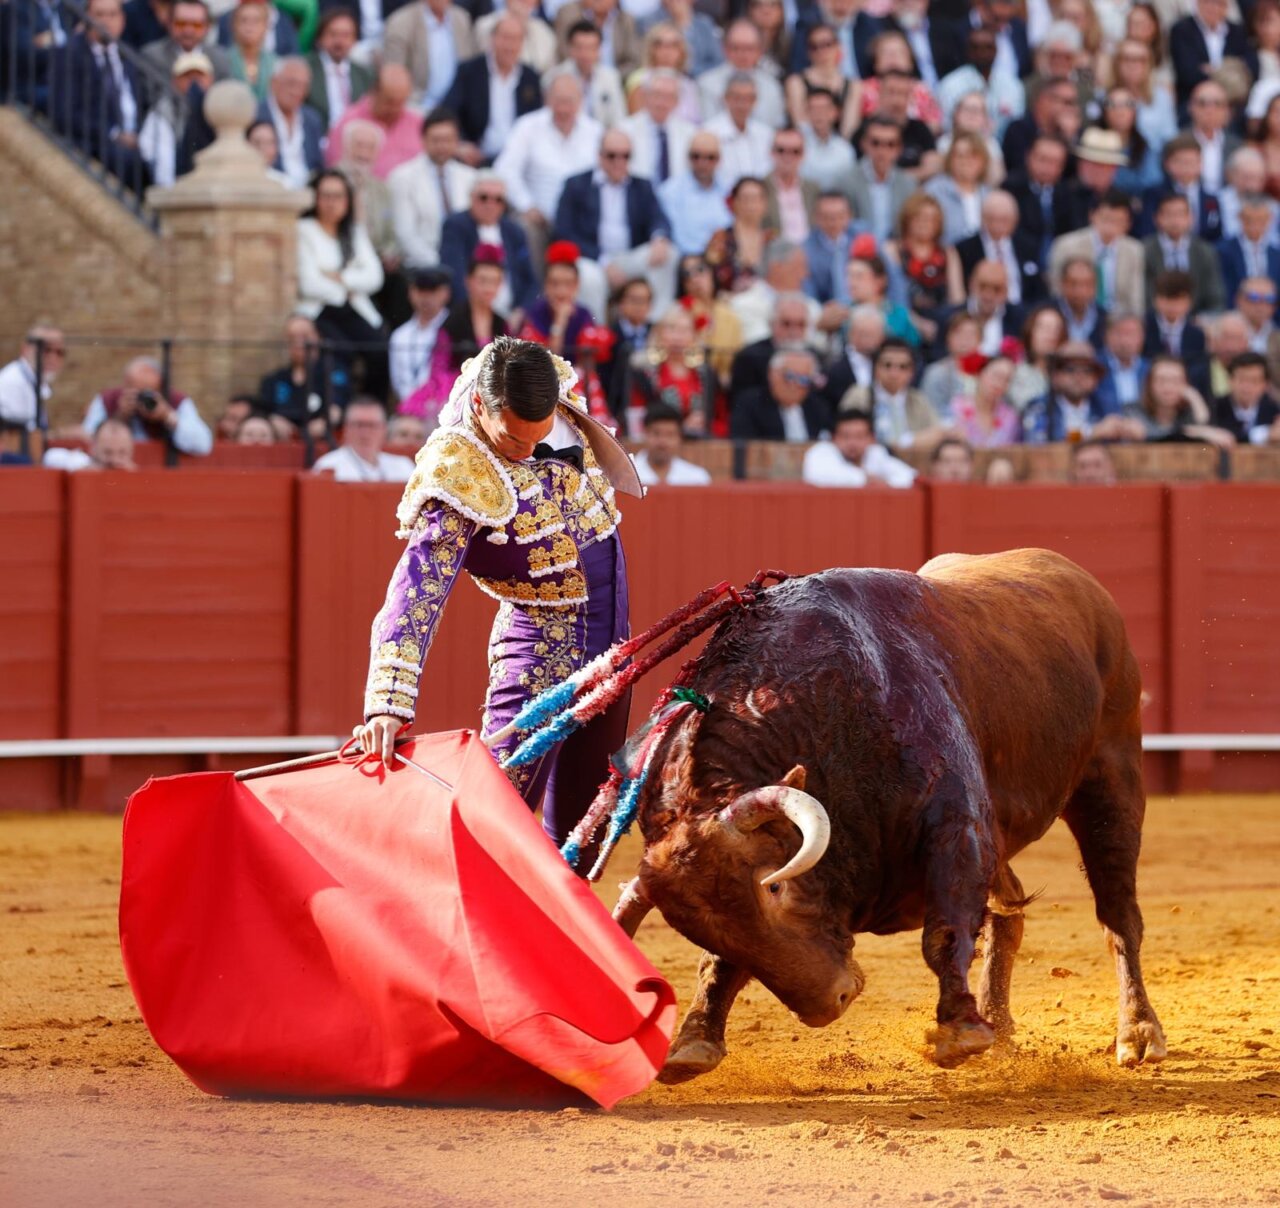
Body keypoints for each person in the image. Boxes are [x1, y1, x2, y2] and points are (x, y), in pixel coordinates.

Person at [355, 337, 637, 855]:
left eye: (540, 433)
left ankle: (554, 933)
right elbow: (415, 592)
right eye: (512, 440)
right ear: (481, 408)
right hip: (539, 648)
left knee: (586, 820)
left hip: (612, 639)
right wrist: (386, 702)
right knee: (493, 812)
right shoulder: (458, 473)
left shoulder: (539, 380)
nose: (527, 450)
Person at [553, 128, 676, 319]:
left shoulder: (642, 186)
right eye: (612, 155)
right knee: (590, 278)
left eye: (625, 156)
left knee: (666, 255)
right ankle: (596, 338)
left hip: (629, 258)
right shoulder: (576, 185)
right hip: (594, 259)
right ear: (600, 156)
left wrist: (659, 238)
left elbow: (659, 219)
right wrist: (603, 260)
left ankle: (656, 327)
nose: (619, 162)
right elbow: (564, 232)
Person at [494, 74, 604, 273]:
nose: (563, 108)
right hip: (540, 219)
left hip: (581, 222)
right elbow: (504, 170)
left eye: (569, 101)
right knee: (524, 228)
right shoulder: (527, 126)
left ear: (580, 101)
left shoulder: (595, 131)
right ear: (546, 99)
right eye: (558, 101)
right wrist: (527, 205)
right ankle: (535, 293)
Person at [297, 168, 388, 401]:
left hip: (354, 308)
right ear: (315, 198)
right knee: (339, 353)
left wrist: (340, 277)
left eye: (338, 196)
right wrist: (346, 287)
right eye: (325, 196)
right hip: (320, 310)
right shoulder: (304, 231)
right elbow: (308, 283)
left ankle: (371, 407)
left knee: (379, 349)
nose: (331, 203)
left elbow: (375, 277)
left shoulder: (355, 233)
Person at [445, 14, 545, 166]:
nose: (510, 46)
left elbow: (537, 120)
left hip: (517, 160)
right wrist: (461, 144)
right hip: (476, 158)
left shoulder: (530, 78)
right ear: (492, 39)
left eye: (516, 39)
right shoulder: (469, 71)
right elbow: (449, 111)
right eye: (505, 37)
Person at [388, 109, 477, 272]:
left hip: (466, 265)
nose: (442, 146)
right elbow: (405, 233)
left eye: (448, 140)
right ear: (423, 140)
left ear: (457, 141)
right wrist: (442, 264)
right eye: (436, 140)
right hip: (422, 266)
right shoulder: (403, 177)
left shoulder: (470, 177)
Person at [835, 337, 948, 453]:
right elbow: (845, 434)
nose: (894, 373)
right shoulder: (859, 396)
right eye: (887, 365)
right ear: (875, 368)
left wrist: (907, 442)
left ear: (911, 373)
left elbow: (937, 432)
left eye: (902, 367)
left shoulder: (917, 400)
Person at [83, 356, 214, 455]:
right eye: (134, 391)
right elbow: (87, 438)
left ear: (160, 389)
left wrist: (167, 415)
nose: (141, 399)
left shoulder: (176, 401)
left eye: (147, 393)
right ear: (125, 384)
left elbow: (203, 445)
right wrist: (119, 417)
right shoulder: (109, 399)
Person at [1049, 189, 1146, 318]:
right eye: (1106, 219)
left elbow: (1136, 298)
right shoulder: (1066, 246)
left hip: (1118, 319)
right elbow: (1057, 291)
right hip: (1076, 315)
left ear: (1128, 224)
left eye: (1118, 221)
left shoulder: (1134, 250)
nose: (1110, 226)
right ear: (1092, 215)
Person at [882, 193, 963, 346]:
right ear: (907, 219)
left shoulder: (948, 252)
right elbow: (893, 297)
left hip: (941, 318)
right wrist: (917, 323)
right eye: (920, 218)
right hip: (906, 318)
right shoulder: (893, 250)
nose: (925, 224)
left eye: (932, 219)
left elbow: (957, 297)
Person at [627, 304, 716, 437]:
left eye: (684, 330)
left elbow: (719, 416)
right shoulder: (645, 372)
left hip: (700, 445)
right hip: (657, 443)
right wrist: (680, 429)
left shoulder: (705, 373)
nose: (677, 337)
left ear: (693, 336)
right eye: (671, 329)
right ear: (659, 334)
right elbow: (637, 417)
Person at [1022, 340, 1135, 443]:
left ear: (1095, 380)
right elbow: (1038, 438)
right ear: (1055, 376)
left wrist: (1129, 430)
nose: (1079, 377)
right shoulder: (1039, 406)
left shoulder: (1105, 406)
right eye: (1070, 369)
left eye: (1087, 371)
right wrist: (1092, 432)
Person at [325, 64, 423, 182]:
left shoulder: (417, 123)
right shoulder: (349, 122)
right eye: (390, 102)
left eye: (401, 102)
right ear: (374, 92)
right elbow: (335, 169)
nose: (395, 109)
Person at [259, 313, 351, 437]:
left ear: (318, 337)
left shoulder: (334, 371)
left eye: (305, 336)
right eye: (292, 338)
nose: (298, 342)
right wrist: (273, 420)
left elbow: (337, 408)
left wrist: (324, 423)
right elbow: (263, 410)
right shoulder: (274, 380)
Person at [1121, 354, 1233, 446]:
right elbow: (1156, 437)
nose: (1168, 387)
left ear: (1186, 385)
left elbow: (1212, 431)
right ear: (1149, 384)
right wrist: (1193, 432)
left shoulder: (1189, 412)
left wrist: (1196, 399)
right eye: (1161, 380)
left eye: (1175, 381)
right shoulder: (1132, 411)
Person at [1144, 191, 1227, 316]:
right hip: (1155, 320)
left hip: (1196, 319)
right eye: (1169, 214)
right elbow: (1144, 297)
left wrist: (1205, 318)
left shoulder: (1205, 251)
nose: (1175, 220)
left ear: (1191, 218)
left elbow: (1215, 296)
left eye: (1180, 214)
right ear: (1157, 218)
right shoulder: (1144, 250)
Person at [381, 0, 474, 108]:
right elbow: (395, 74)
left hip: (457, 104)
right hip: (417, 103)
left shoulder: (461, 18)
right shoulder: (401, 22)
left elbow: (470, 66)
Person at [389, 268, 454, 422]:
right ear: (411, 292)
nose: (426, 297)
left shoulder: (454, 328)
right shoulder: (400, 335)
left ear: (446, 293)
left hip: (444, 413)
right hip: (407, 412)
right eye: (420, 290)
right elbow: (398, 382)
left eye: (432, 291)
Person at [518, 241, 597, 369]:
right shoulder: (534, 314)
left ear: (577, 285)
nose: (561, 292)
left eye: (568, 284)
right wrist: (559, 323)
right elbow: (544, 365)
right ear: (545, 285)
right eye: (554, 284)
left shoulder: (584, 315)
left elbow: (588, 367)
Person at [730, 346, 833, 441]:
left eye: (803, 379)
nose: (795, 385)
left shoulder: (817, 407)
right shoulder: (751, 404)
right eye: (790, 376)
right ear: (772, 374)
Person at [844, 116, 915, 245]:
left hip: (897, 253)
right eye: (876, 143)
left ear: (899, 149)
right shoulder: (846, 182)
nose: (882, 151)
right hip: (857, 252)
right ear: (864, 144)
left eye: (890, 144)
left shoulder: (908, 184)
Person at [801, 408, 917, 487]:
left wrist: (884, 483)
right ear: (834, 438)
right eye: (845, 436)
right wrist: (866, 479)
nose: (852, 443)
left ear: (872, 439)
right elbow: (817, 475)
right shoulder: (822, 451)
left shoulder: (875, 453)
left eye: (859, 436)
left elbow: (909, 476)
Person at [658, 132, 732, 256]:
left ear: (719, 159)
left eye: (710, 157)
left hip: (724, 260)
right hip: (688, 260)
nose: (703, 163)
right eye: (696, 156)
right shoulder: (670, 192)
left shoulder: (727, 189)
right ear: (688, 157)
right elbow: (675, 238)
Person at [785, 21, 860, 140]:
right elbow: (800, 123)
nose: (821, 51)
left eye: (827, 44)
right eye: (814, 46)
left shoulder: (853, 85)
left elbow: (849, 129)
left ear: (838, 46)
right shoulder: (796, 82)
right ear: (808, 52)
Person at [257, 57, 325, 188]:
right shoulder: (257, 115)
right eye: (291, 84)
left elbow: (317, 165)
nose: (297, 91)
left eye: (303, 86)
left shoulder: (312, 119)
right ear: (274, 83)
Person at [545, 19, 626, 128]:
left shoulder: (611, 78)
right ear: (570, 48)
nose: (585, 54)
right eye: (579, 47)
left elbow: (619, 119)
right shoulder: (554, 77)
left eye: (591, 48)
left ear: (599, 50)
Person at [618, 69, 695, 184]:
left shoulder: (690, 133)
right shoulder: (624, 130)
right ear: (645, 97)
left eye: (669, 97)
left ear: (677, 101)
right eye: (657, 95)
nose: (661, 102)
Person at [312, 396, 415, 480]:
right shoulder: (328, 466)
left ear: (384, 430)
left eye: (372, 425)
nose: (365, 432)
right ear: (346, 429)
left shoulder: (403, 467)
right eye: (359, 425)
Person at [440, 247, 511, 369]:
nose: (488, 288)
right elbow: (440, 367)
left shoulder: (502, 324)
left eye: (494, 281)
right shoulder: (453, 322)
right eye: (482, 281)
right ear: (468, 280)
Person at [705, 176, 775, 296]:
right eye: (746, 198)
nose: (751, 204)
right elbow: (713, 279)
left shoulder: (773, 239)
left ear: (765, 203)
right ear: (734, 202)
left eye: (756, 198)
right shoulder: (721, 238)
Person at [702, 72, 774, 187]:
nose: (742, 104)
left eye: (748, 98)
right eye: (736, 98)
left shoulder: (766, 134)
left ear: (755, 101)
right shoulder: (708, 133)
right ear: (725, 98)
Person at [305, 6, 370, 129]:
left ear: (355, 40)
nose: (339, 41)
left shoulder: (364, 74)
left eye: (346, 35)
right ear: (320, 38)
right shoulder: (306, 68)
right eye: (333, 34)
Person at [0, 326, 64, 436]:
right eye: (46, 350)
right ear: (25, 349)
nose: (53, 358)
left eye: (59, 352)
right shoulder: (13, 383)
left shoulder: (32, 381)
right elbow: (19, 438)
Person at [948, 354, 1022, 447]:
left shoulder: (1010, 417)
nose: (999, 383)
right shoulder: (956, 406)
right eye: (996, 375)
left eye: (1007, 380)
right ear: (980, 373)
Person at [632, 402, 712, 484]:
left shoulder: (697, 478)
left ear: (679, 438)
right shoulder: (624, 477)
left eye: (670, 435)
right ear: (645, 433)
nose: (662, 442)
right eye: (656, 433)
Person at [1210, 350, 1280, 442]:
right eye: (1242, 379)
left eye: (1254, 381)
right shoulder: (1214, 408)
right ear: (1230, 380)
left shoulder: (1273, 411)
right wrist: (1263, 434)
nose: (1247, 387)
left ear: (1265, 385)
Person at [1095, 312, 1151, 414]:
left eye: (1131, 334)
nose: (1125, 341)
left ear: (1142, 337)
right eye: (1118, 333)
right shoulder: (1094, 368)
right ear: (1106, 335)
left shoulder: (1150, 370)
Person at [43, 417, 137, 471]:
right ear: (93, 447)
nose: (115, 460)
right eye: (107, 452)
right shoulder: (79, 461)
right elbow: (49, 457)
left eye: (122, 453)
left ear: (131, 451)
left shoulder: (136, 473)